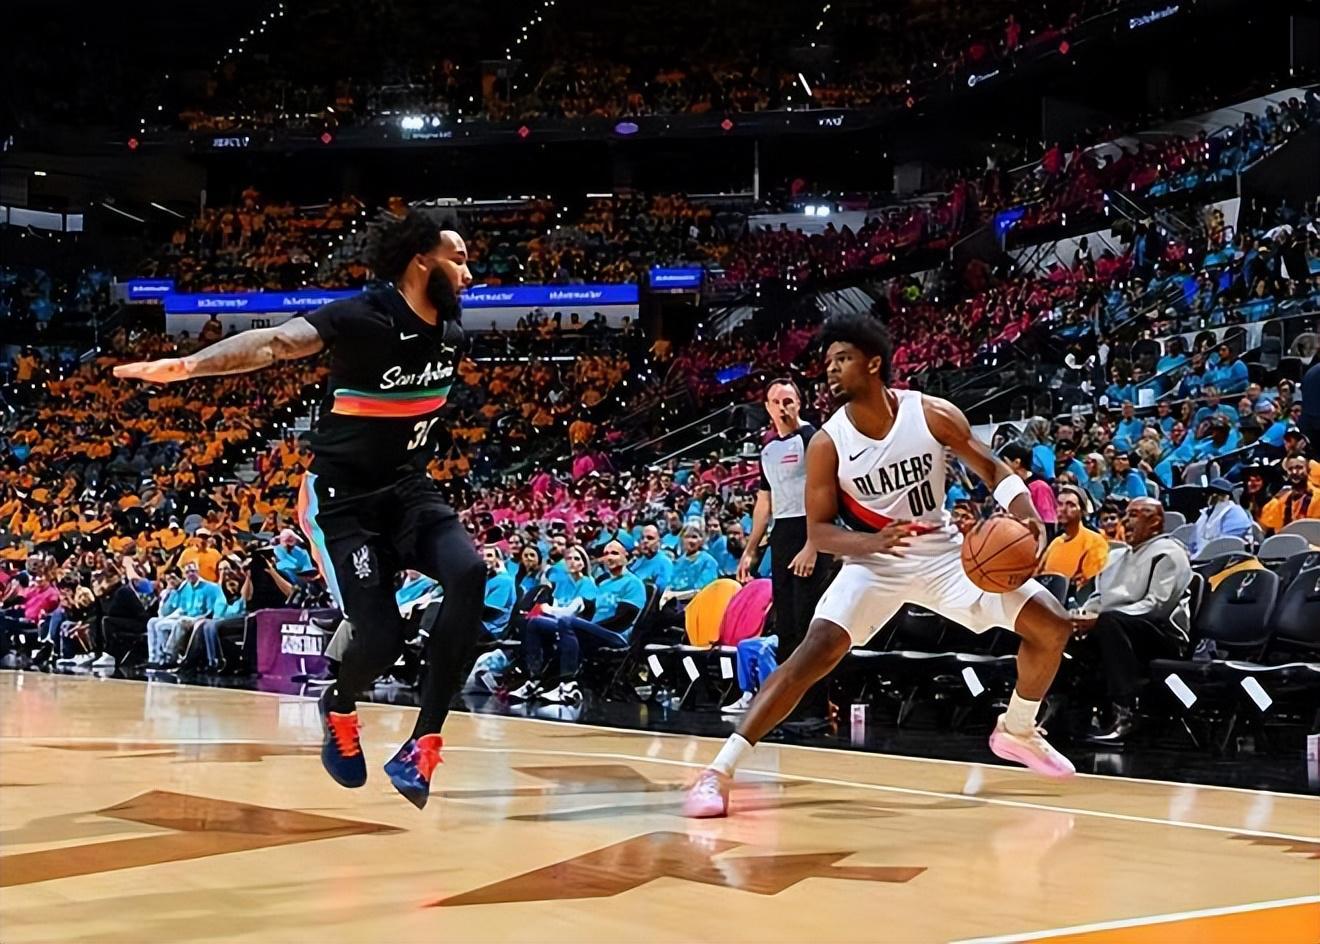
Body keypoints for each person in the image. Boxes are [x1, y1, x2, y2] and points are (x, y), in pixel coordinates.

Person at [114, 210, 483, 810]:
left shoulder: (452, 334)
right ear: (421, 261)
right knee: (382, 638)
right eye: (459, 259)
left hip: (409, 490)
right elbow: (277, 342)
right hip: (343, 503)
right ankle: (339, 705)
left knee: (470, 573)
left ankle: (423, 743)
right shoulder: (363, 315)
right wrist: (189, 367)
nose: (469, 273)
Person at [684, 314, 1076, 818]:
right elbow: (819, 533)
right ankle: (718, 772)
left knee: (1052, 624)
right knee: (810, 655)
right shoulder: (827, 443)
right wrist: (872, 543)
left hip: (943, 555)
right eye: (827, 362)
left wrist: (1027, 514)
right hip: (874, 564)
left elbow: (990, 466)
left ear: (873, 363)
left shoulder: (930, 414)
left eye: (842, 359)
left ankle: (1017, 729)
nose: (830, 369)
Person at [738, 377, 834, 726]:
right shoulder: (767, 450)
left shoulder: (813, 439)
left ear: (799, 403)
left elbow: (827, 492)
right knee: (787, 626)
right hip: (782, 534)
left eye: (789, 400)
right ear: (767, 407)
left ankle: (817, 708)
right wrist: (750, 549)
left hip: (811, 531)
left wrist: (813, 544)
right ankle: (791, 707)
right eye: (776, 401)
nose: (783, 407)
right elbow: (765, 502)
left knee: (811, 625)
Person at [1072, 498, 1193, 742]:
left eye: (1135, 515)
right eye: (1126, 515)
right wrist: (1082, 616)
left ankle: (1125, 712)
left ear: (1155, 522)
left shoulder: (1170, 553)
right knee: (1060, 628)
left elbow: (1156, 606)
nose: (1126, 521)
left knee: (1110, 623)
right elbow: (1098, 597)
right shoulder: (1116, 556)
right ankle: (1063, 707)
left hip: (1163, 635)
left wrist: (1101, 619)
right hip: (1115, 626)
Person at [515, 545, 599, 702]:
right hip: (556, 623)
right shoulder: (561, 583)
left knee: (539, 622)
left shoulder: (588, 584)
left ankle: (563, 682)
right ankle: (534, 677)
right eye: (569, 559)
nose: (572, 562)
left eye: (576, 559)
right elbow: (553, 609)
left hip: (575, 626)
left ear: (583, 563)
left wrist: (549, 609)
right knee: (531, 623)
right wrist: (550, 610)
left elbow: (569, 612)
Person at [1040, 485, 1109, 589]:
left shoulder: (1095, 542)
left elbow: (1089, 586)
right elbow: (1039, 574)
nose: (1063, 509)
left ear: (1082, 511)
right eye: (1060, 504)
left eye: (1071, 505)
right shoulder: (1056, 542)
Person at [1188, 478, 1253, 555]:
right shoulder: (1206, 513)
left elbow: (1227, 545)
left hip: (1230, 557)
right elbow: (1194, 540)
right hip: (1202, 556)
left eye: (1219, 494)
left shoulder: (1235, 513)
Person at [1258, 454, 1320, 532]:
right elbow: (1263, 527)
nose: (1294, 472)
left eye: (1299, 467)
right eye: (1290, 469)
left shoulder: (1318, 497)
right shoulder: (1282, 499)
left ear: (1308, 470)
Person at [481, 545, 517, 638]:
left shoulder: (504, 580)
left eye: (489, 555)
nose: (484, 559)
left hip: (491, 628)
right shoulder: (483, 578)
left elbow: (489, 612)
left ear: (498, 560)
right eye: (481, 556)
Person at [629, 523, 674, 590]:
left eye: (650, 538)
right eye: (642, 538)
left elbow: (660, 591)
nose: (645, 541)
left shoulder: (665, 563)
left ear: (659, 542)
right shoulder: (639, 560)